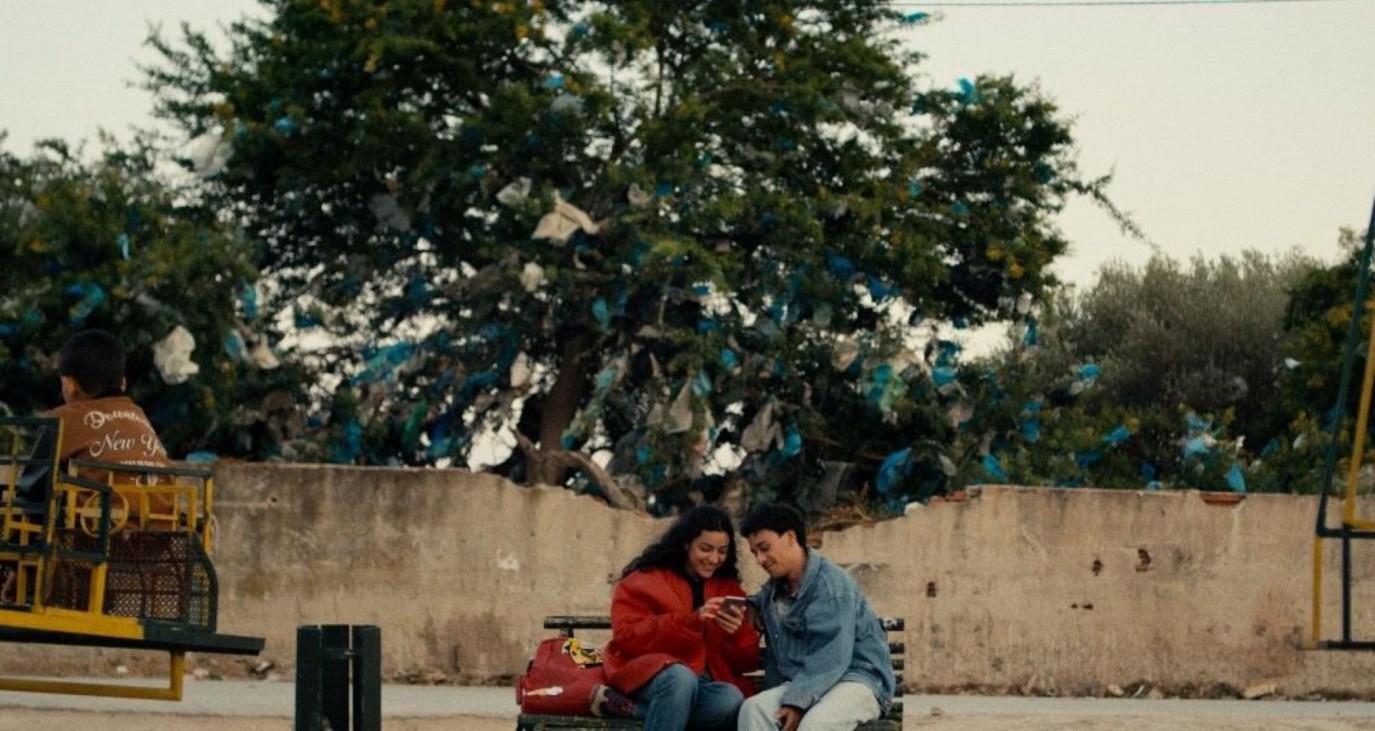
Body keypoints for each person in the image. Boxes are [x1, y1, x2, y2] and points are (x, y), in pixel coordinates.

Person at [596, 505, 761, 730]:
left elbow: (746, 662)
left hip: (703, 682)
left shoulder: (728, 588)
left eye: (722, 551)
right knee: (681, 678)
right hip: (650, 676)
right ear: (686, 544)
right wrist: (690, 622)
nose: (714, 559)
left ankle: (636, 710)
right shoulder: (644, 579)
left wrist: (737, 633)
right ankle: (646, 706)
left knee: (730, 699)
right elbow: (626, 635)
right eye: (706, 549)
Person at [736, 503, 895, 731]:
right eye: (754, 553)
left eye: (764, 548)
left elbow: (831, 657)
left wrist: (797, 701)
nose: (760, 559)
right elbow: (762, 599)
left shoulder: (831, 586)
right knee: (753, 710)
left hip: (856, 680)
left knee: (815, 725)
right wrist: (751, 605)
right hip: (806, 682)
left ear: (790, 538)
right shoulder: (775, 588)